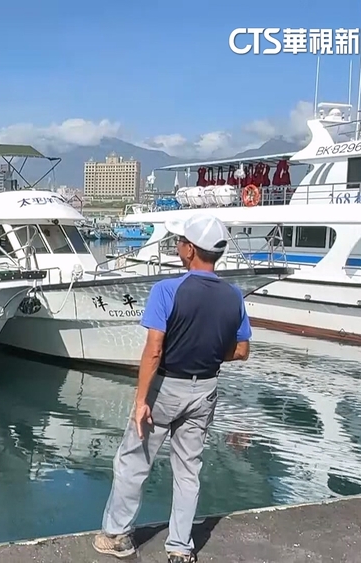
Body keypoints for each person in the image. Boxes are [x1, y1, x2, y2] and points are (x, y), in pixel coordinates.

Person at [92, 213, 251, 563]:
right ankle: (180, 547)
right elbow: (241, 350)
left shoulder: (167, 290)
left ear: (190, 250)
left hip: (165, 387)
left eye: (180, 241)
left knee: (134, 462)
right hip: (205, 389)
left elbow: (154, 350)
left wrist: (140, 400)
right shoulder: (234, 296)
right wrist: (211, 351)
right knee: (188, 470)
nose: (177, 246)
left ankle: (117, 536)